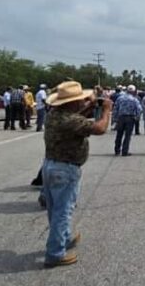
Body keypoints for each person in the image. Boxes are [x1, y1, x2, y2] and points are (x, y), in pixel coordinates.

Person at [41, 81, 112, 267]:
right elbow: (99, 128)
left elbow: (75, 118)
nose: (82, 101)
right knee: (63, 211)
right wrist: (106, 111)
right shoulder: (71, 120)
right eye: (79, 100)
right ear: (72, 102)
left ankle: (63, 239)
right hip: (65, 169)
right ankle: (55, 253)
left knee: (55, 209)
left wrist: (88, 107)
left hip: (51, 165)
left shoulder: (54, 114)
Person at [112, 85, 142, 156]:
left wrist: (115, 119)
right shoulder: (134, 99)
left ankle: (117, 150)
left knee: (119, 134)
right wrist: (137, 117)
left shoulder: (120, 98)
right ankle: (125, 151)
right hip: (130, 118)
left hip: (121, 117)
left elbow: (115, 108)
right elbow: (139, 109)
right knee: (127, 135)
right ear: (134, 91)